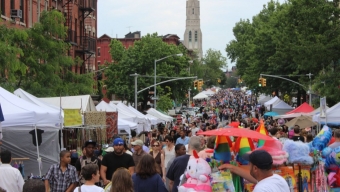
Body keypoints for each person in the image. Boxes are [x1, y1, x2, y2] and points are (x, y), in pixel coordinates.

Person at [219, 150, 289, 192]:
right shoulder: (278, 178)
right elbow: (254, 178)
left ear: (255, 168)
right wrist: (232, 168)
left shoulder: (260, 189)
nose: (248, 166)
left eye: (250, 164)